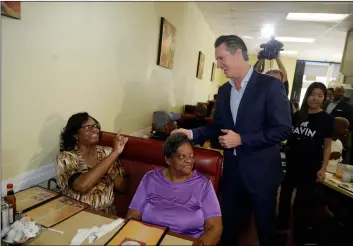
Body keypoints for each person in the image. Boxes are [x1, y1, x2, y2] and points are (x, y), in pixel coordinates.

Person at [172, 35, 291, 246]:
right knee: (226, 230)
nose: (218, 65)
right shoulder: (224, 91)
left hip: (262, 176)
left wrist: (242, 139)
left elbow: (283, 129)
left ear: (237, 53)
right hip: (233, 175)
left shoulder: (270, 86)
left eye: (221, 58)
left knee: (265, 232)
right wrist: (190, 134)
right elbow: (217, 127)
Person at [127, 133, 222, 245]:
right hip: (150, 240)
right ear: (168, 160)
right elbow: (133, 216)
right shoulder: (150, 178)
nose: (189, 161)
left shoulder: (203, 184)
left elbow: (216, 228)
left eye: (191, 156)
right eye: (182, 157)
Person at [277, 82, 334, 240]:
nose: (315, 98)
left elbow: (327, 147)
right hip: (291, 164)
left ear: (324, 98)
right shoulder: (298, 115)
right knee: (284, 196)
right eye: (312, 94)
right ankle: (281, 225)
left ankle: (297, 229)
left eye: (320, 95)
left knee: (303, 200)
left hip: (310, 166)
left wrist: (323, 168)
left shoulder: (327, 119)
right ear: (307, 95)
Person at [56, 112, 128, 214]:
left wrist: (112, 174)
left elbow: (123, 188)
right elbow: (82, 186)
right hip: (76, 214)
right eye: (87, 128)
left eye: (95, 126)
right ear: (76, 136)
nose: (95, 129)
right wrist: (115, 153)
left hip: (106, 216)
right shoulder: (67, 157)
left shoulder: (107, 152)